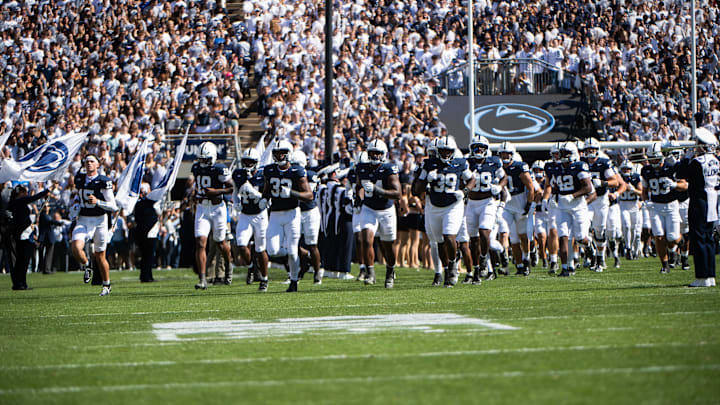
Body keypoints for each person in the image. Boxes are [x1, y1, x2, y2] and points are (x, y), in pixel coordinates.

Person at [261, 139, 313, 292]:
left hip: (292, 213)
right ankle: (301, 254)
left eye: (282, 153)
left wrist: (291, 193)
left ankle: (294, 280)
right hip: (276, 214)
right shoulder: (269, 170)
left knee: (291, 250)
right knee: (272, 250)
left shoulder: (297, 171)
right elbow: (267, 189)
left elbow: (309, 195)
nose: (279, 156)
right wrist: (264, 199)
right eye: (276, 153)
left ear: (289, 154)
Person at [357, 139, 402, 288]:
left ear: (384, 155)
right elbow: (358, 186)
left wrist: (377, 190)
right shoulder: (362, 167)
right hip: (368, 208)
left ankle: (390, 271)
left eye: (378, 153)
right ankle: (370, 273)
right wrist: (357, 199)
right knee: (365, 239)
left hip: (386, 210)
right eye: (372, 153)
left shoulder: (389, 169)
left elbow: (397, 193)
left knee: (387, 245)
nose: (375, 156)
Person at [71, 154, 118, 296]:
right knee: (75, 247)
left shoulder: (103, 181)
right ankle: (87, 266)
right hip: (84, 219)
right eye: (87, 162)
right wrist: (75, 207)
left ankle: (106, 284)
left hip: (100, 220)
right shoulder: (79, 179)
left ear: (98, 164)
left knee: (100, 255)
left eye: (92, 161)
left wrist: (98, 202)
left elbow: (113, 206)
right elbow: (77, 197)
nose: (89, 164)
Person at [544, 142, 594, 277]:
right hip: (562, 207)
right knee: (563, 236)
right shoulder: (555, 168)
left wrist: (572, 195)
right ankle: (565, 268)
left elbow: (588, 188)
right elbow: (554, 187)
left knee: (579, 237)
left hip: (578, 205)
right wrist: (552, 198)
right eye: (562, 153)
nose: (563, 156)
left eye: (566, 153)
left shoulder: (579, 166)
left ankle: (590, 246)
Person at [677, 128, 719, 287]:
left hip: (700, 201)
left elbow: (680, 173)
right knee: (708, 239)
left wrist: (686, 157)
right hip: (712, 201)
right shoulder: (716, 160)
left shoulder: (697, 162)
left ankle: (702, 276)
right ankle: (710, 275)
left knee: (699, 238)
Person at [191, 142, 234, 290]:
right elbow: (197, 186)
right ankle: (202, 279)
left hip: (217, 208)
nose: (203, 162)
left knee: (220, 242)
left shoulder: (219, 169)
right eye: (201, 159)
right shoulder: (196, 168)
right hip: (202, 207)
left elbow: (231, 188)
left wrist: (215, 191)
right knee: (200, 242)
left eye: (206, 159)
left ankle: (229, 265)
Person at [640, 142, 688, 274]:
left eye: (656, 157)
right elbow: (644, 190)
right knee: (658, 236)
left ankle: (681, 240)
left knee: (672, 237)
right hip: (655, 206)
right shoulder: (646, 170)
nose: (654, 160)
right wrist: (645, 201)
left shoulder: (671, 167)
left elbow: (685, 185)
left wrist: (674, 185)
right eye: (651, 158)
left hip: (671, 204)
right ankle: (665, 264)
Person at [465, 135, 505, 284]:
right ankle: (476, 270)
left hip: (488, 202)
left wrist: (500, 186)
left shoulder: (494, 162)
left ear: (486, 149)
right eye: (476, 147)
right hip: (471, 203)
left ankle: (483, 258)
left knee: (484, 231)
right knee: (473, 240)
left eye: (481, 147)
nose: (478, 149)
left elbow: (504, 177)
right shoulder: (466, 163)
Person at [581, 138, 626, 271]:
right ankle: (591, 253)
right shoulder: (580, 163)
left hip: (600, 200)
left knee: (600, 231)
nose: (590, 152)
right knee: (584, 229)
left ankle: (600, 259)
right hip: (587, 200)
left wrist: (602, 182)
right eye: (588, 150)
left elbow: (615, 182)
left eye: (593, 150)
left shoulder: (604, 163)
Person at [232, 147, 269, 292]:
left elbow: (266, 198)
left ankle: (264, 279)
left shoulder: (263, 175)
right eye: (245, 161)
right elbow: (235, 191)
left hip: (260, 215)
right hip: (245, 215)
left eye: (250, 161)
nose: (247, 164)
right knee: (241, 245)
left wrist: (253, 192)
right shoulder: (238, 174)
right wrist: (236, 203)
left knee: (260, 249)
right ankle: (251, 267)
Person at [497, 142, 535, 276]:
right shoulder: (497, 167)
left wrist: (529, 204)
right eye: (502, 154)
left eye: (507, 154)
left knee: (523, 236)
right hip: (506, 204)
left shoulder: (519, 167)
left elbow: (531, 187)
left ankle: (526, 260)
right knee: (510, 236)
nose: (504, 156)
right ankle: (515, 265)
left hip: (519, 201)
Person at [8, 185, 49, 290]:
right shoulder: (19, 201)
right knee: (23, 260)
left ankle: (19, 282)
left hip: (21, 233)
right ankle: (21, 282)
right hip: (23, 234)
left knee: (20, 261)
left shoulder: (12, 203)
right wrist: (47, 190)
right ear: (21, 193)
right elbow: (33, 198)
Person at [133, 184, 161, 283]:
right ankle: (146, 276)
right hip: (149, 233)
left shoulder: (139, 204)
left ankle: (146, 275)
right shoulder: (148, 204)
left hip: (143, 232)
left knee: (146, 256)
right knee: (148, 256)